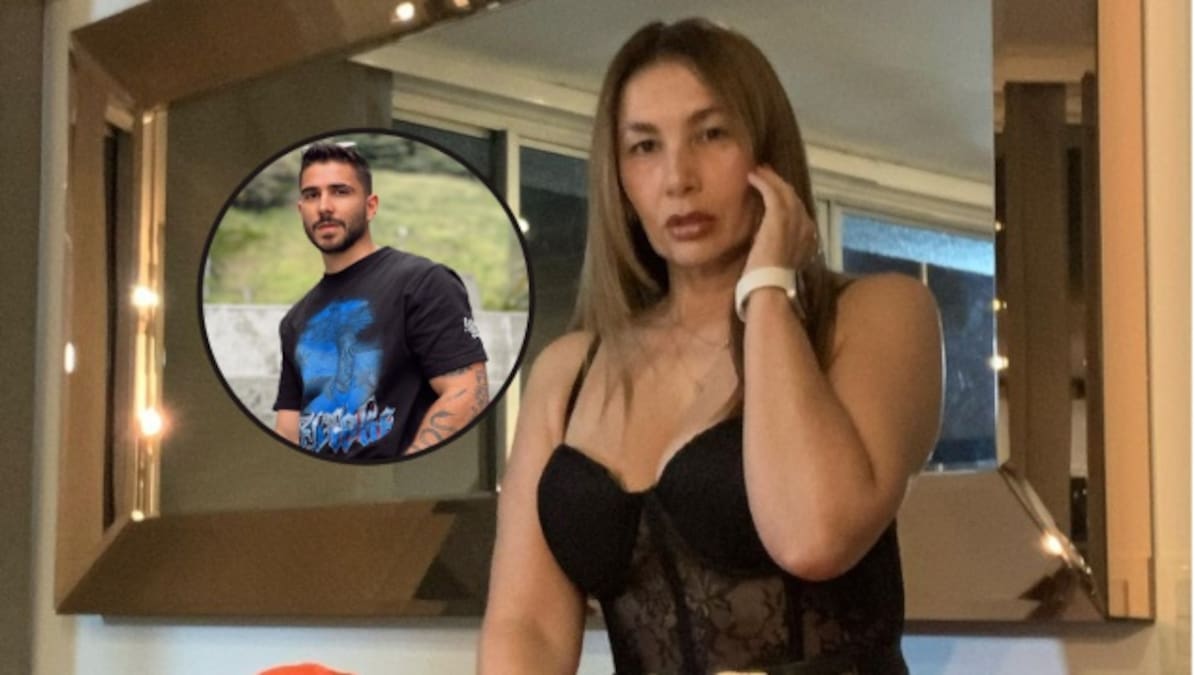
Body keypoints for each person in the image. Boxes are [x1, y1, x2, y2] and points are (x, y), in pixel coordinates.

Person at [479, 18, 943, 675]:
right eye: (645, 146)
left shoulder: (876, 313)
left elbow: (815, 536)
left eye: (712, 134)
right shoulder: (569, 370)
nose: (678, 178)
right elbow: (524, 626)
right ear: (619, 178)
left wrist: (769, 288)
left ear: (767, 151)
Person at [273, 142, 489, 460]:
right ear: (301, 209)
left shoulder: (423, 282)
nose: (324, 206)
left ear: (371, 206)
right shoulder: (295, 320)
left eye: (340, 192)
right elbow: (288, 429)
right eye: (312, 195)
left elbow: (467, 392)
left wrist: (402, 472)